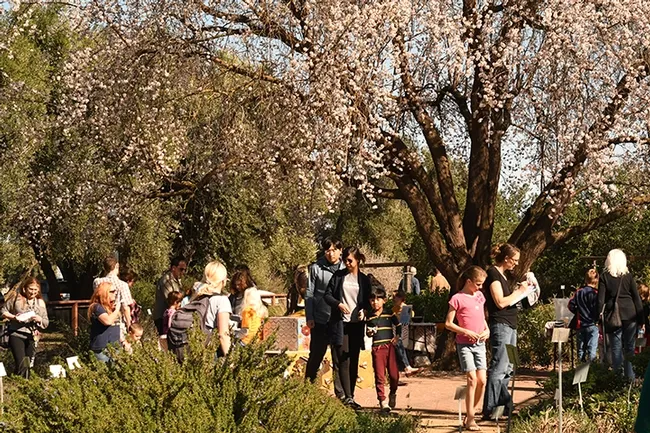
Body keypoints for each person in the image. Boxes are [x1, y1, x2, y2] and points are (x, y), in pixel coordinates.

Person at [482, 243, 529, 420]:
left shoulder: (503, 275)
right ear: (507, 258)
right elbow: (500, 302)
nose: (516, 264)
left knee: (509, 367)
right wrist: (519, 292)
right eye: (515, 260)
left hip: (511, 325)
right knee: (499, 366)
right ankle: (490, 407)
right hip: (501, 325)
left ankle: (503, 405)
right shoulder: (493, 274)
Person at [324, 246, 372, 409]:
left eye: (350, 260)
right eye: (345, 260)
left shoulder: (364, 280)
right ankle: (347, 397)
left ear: (358, 260)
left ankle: (351, 394)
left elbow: (368, 302)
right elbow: (327, 295)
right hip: (340, 324)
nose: (347, 263)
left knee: (354, 359)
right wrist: (338, 304)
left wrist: (364, 310)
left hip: (356, 325)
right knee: (343, 359)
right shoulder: (338, 277)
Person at [446, 266, 489, 431]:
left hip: (480, 343)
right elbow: (449, 323)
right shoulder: (457, 298)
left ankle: (471, 413)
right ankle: (470, 418)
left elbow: (481, 317)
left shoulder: (479, 296)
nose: (480, 287)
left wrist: (487, 330)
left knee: (482, 381)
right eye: (478, 284)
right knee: (471, 379)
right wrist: (466, 331)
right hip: (465, 344)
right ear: (468, 281)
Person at [304, 238, 345, 399]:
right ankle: (308, 389)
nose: (331, 253)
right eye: (327, 250)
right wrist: (310, 316)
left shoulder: (345, 268)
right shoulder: (316, 268)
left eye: (334, 249)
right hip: (320, 319)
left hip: (339, 320)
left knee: (338, 358)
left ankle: (341, 394)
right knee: (316, 355)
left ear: (340, 250)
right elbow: (309, 293)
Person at [598, 249, 644, 380]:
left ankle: (618, 378)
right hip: (630, 314)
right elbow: (636, 298)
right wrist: (642, 320)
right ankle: (630, 378)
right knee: (630, 348)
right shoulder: (628, 276)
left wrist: (599, 318)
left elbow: (600, 300)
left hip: (613, 315)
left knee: (616, 348)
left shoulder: (604, 277)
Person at [1, 277, 49, 378]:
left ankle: (24, 381)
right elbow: (3, 311)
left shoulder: (40, 302)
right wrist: (14, 317)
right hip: (16, 334)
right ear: (24, 288)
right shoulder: (16, 298)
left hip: (32, 337)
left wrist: (39, 319)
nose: (33, 292)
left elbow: (46, 322)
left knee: (27, 363)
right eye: (30, 289)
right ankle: (20, 383)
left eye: (35, 290)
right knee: (21, 361)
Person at [366, 286, 400, 412]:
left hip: (389, 347)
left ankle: (393, 392)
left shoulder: (389, 313)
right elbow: (368, 332)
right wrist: (370, 332)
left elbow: (398, 325)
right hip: (377, 348)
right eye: (372, 300)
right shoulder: (369, 317)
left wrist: (397, 336)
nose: (375, 302)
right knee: (380, 375)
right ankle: (382, 400)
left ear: (384, 300)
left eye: (378, 299)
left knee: (394, 375)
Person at [200, 261, 232, 357]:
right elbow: (223, 335)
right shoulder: (222, 300)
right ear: (223, 281)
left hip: (193, 348)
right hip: (209, 350)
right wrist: (231, 361)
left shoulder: (196, 297)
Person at [93, 256, 133, 332]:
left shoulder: (97, 282)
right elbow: (125, 307)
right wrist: (129, 325)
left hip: (101, 317)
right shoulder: (123, 285)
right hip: (117, 320)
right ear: (117, 265)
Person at [568, 269, 600, 362]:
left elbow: (570, 305)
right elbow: (599, 307)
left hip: (580, 323)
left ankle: (580, 371)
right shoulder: (596, 293)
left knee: (581, 349)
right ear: (597, 280)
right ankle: (592, 370)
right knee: (592, 349)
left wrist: (577, 312)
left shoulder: (579, 292)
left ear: (586, 279)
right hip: (592, 324)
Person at [88, 282, 121, 363]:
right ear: (104, 292)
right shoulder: (97, 307)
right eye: (112, 291)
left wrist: (123, 341)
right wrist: (117, 310)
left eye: (115, 291)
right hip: (102, 349)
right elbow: (108, 321)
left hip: (115, 346)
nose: (115, 293)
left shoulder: (112, 307)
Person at [154, 256, 187, 335]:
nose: (183, 272)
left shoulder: (177, 280)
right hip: (163, 317)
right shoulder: (166, 280)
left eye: (184, 270)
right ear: (173, 268)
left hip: (173, 316)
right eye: (181, 269)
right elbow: (171, 300)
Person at [391, 291, 419, 375]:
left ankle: (407, 366)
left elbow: (404, 324)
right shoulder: (394, 309)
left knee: (400, 342)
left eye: (395, 297)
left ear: (401, 298)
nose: (393, 299)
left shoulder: (406, 309)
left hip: (403, 333)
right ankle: (406, 366)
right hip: (394, 332)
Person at [638, 283, 650, 351]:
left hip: (639, 326)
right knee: (643, 346)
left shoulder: (636, 303)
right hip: (644, 327)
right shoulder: (646, 305)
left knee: (639, 346)